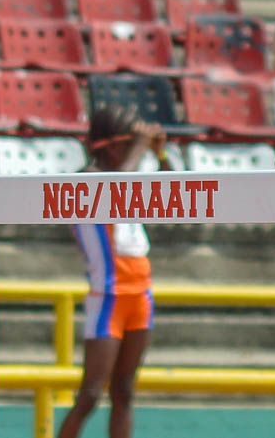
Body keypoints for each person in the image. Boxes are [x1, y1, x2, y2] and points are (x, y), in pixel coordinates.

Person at [57, 105, 166, 438]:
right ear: (111, 146)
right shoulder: (87, 179)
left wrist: (159, 154)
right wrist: (139, 147)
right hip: (108, 298)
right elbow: (116, 187)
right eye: (128, 145)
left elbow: (172, 188)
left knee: (124, 391)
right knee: (90, 394)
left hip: (140, 295)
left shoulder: (128, 174)